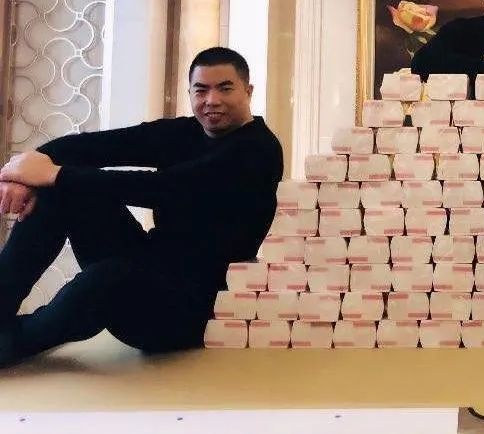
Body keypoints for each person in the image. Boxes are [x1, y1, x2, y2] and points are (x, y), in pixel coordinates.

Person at [0, 46, 283, 366]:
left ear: (248, 91)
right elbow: (91, 146)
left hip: (192, 306)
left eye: (225, 88)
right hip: (151, 264)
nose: (212, 100)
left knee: (103, 279)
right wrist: (21, 173)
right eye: (201, 90)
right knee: (60, 193)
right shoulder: (184, 132)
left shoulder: (258, 150)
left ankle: (11, 342)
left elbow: (164, 188)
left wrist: (55, 174)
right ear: (190, 93)